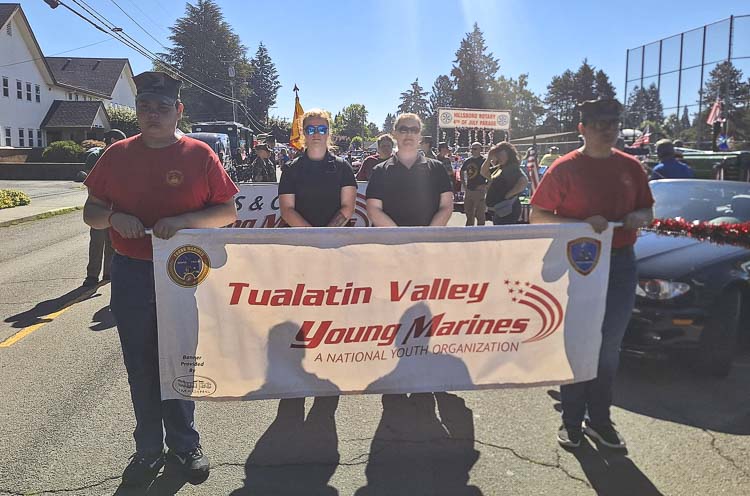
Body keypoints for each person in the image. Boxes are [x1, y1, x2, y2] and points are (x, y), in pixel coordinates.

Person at [83, 71, 238, 486]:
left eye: (162, 108)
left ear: (178, 111)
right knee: (140, 364)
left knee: (180, 361)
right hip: (132, 272)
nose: (152, 115)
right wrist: (114, 217)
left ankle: (185, 445)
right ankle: (148, 448)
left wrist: (186, 220)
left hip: (183, 274)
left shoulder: (200, 154)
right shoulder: (115, 155)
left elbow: (227, 212)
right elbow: (91, 211)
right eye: (145, 107)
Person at [529, 98, 654, 450]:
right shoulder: (564, 168)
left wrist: (638, 217)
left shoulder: (631, 167)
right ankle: (571, 420)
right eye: (600, 124)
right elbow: (538, 215)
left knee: (609, 345)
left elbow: (647, 210)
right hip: (579, 264)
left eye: (613, 123)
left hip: (620, 262)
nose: (609, 130)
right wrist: (580, 225)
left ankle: (599, 419)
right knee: (578, 342)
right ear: (582, 128)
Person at [366, 113, 453, 227]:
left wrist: (427, 235)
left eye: (414, 130)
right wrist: (402, 238)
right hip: (391, 242)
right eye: (403, 129)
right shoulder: (379, 171)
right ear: (394, 134)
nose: (409, 134)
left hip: (427, 242)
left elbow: (446, 207)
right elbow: (374, 209)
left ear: (420, 136)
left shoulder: (437, 168)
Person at [279, 108, 357, 227]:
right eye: (310, 129)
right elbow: (287, 210)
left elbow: (348, 208)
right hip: (300, 241)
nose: (316, 134)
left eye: (322, 129)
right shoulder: (290, 169)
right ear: (303, 132)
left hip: (335, 240)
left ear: (328, 132)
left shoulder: (343, 167)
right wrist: (313, 236)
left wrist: (325, 235)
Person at [82, 128, 126, 287]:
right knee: (97, 240)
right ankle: (92, 275)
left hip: (117, 205)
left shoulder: (122, 156)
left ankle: (109, 272)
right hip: (100, 205)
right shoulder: (95, 157)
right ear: (112, 141)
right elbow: (91, 183)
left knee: (112, 242)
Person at [481, 142, 529, 225]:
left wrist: (509, 195)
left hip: (508, 209)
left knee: (503, 235)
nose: (499, 157)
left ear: (509, 154)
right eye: (497, 155)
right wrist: (489, 158)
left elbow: (523, 181)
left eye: (501, 154)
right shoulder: (500, 168)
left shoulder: (512, 167)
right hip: (500, 210)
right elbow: (484, 172)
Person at [460, 142, 489, 226]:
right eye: (471, 148)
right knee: (469, 214)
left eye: (475, 149)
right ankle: (469, 233)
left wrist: (486, 185)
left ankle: (481, 233)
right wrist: (464, 185)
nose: (472, 151)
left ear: (480, 150)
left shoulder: (484, 161)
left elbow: (493, 175)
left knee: (480, 215)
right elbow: (462, 171)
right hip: (469, 190)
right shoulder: (468, 161)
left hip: (479, 191)